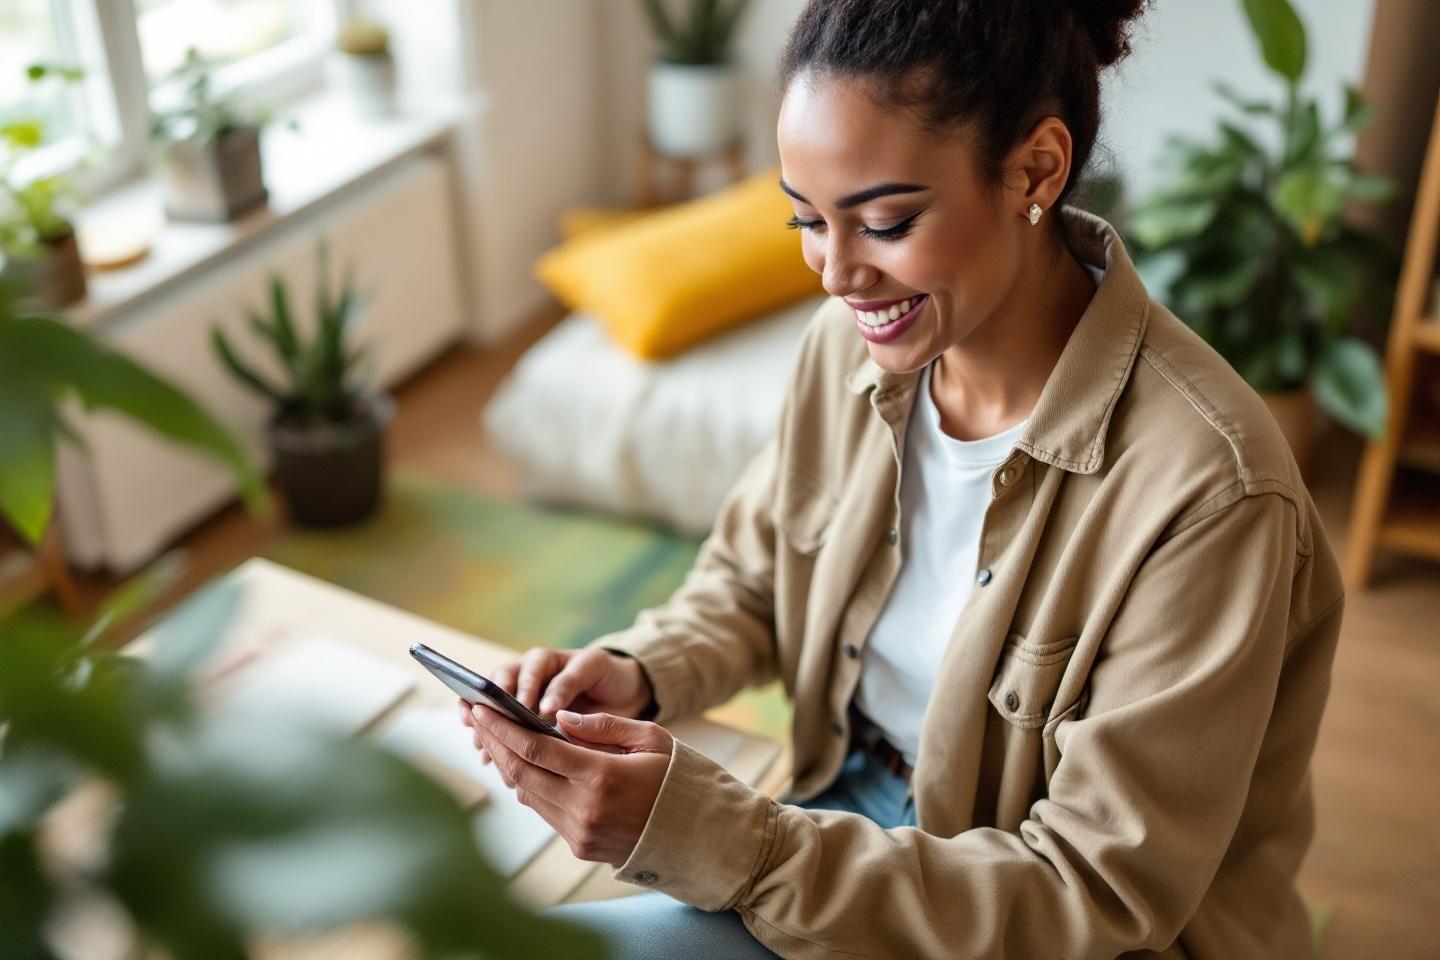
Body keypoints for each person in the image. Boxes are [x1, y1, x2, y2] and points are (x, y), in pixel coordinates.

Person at [459, 1, 1346, 956]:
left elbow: (1092, 895)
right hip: (846, 811)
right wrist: (637, 674)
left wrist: (727, 840)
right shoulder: (847, 354)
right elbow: (755, 581)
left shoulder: (1212, 494)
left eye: (885, 222)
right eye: (807, 220)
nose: (838, 274)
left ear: (1035, 170)